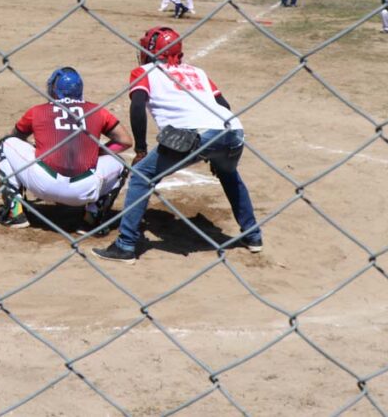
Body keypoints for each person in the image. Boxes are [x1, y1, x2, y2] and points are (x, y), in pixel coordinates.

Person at [93, 26, 264, 263]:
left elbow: (137, 106)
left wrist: (141, 149)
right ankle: (252, 235)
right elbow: (224, 105)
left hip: (193, 134)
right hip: (233, 131)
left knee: (142, 175)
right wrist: (218, 150)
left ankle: (126, 245)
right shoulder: (199, 72)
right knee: (229, 174)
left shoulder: (143, 71)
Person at [0, 67, 133, 230]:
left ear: (54, 89)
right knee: (120, 164)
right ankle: (93, 216)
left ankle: (14, 212)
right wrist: (98, 152)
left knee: (4, 144)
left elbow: (16, 137)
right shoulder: (97, 111)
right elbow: (125, 141)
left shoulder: (37, 111)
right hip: (84, 189)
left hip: (42, 184)